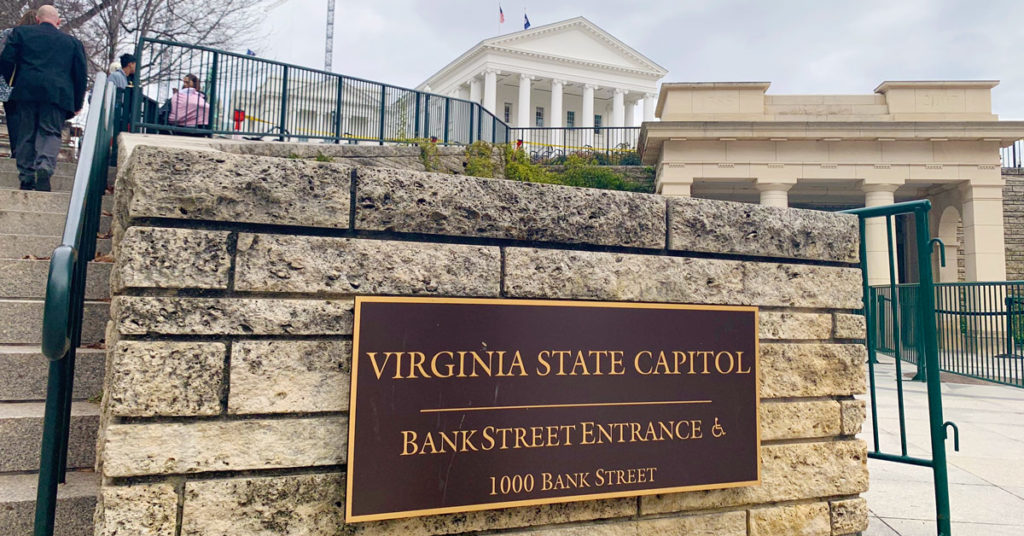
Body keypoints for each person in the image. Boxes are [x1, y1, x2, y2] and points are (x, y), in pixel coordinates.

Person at [0, 5, 87, 191]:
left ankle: (26, 176)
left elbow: (6, 60)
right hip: (57, 95)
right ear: (58, 22)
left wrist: (10, 83)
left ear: (38, 19)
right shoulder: (72, 43)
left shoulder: (20, 33)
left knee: (26, 134)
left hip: (25, 91)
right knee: (50, 132)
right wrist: (77, 102)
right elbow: (80, 75)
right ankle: (45, 167)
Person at [0, 9, 39, 160]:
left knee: (12, 117)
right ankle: (29, 151)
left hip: (7, 83)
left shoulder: (8, 33)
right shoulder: (37, 37)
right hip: (30, 84)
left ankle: (15, 148)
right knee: (30, 118)